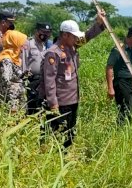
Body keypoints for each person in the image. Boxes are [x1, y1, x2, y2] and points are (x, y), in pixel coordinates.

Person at [40, 13, 106, 148]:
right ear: (65, 35)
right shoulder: (54, 52)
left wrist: (99, 23)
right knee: (57, 134)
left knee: (69, 134)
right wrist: (53, 104)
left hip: (72, 100)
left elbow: (87, 36)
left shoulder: (72, 47)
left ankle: (66, 157)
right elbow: (49, 80)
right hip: (60, 102)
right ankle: (53, 159)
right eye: (74, 35)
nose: (77, 38)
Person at [106, 26, 132, 125]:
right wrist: (110, 88)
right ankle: (120, 131)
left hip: (129, 82)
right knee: (124, 108)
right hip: (121, 82)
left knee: (131, 107)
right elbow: (109, 67)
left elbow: (131, 68)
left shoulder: (131, 50)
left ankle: (128, 130)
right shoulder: (118, 49)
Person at [0, 31, 29, 114]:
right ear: (15, 43)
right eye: (21, 43)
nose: (23, 46)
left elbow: (13, 76)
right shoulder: (6, 60)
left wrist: (23, 75)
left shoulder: (14, 58)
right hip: (11, 102)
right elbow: (6, 82)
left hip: (16, 99)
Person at [24, 22, 53, 115]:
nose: (45, 35)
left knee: (41, 106)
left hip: (43, 80)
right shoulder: (28, 44)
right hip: (31, 80)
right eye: (43, 32)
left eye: (47, 33)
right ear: (36, 31)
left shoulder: (47, 46)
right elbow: (24, 61)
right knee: (31, 105)